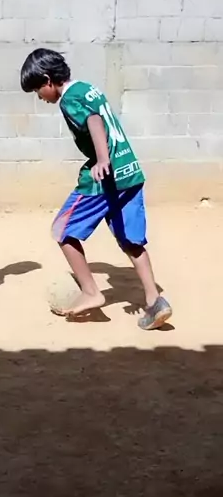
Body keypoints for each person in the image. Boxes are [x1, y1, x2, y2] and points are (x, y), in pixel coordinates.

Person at [20, 48, 172, 330]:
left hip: (105, 177)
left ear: (47, 79)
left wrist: (102, 159)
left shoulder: (70, 99)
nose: (39, 97)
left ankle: (91, 292)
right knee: (130, 240)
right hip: (130, 171)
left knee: (62, 230)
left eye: (37, 90)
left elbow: (94, 120)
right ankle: (154, 301)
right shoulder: (87, 88)